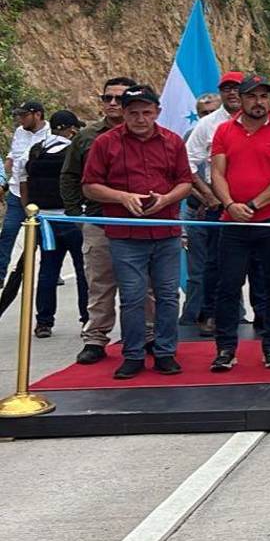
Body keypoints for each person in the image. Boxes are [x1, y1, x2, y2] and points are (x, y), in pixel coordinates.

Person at [81, 85, 193, 379]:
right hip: (125, 234)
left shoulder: (173, 141)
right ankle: (132, 354)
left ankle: (165, 352)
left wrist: (166, 199)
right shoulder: (105, 143)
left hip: (166, 231)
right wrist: (122, 197)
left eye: (146, 112)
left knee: (168, 295)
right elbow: (89, 186)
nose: (140, 119)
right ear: (124, 113)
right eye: (133, 113)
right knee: (131, 296)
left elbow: (185, 182)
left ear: (157, 112)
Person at [61, 75, 156, 365]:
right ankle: (96, 338)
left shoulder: (152, 134)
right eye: (107, 98)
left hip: (142, 222)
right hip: (100, 220)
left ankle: (148, 335)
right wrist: (77, 215)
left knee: (145, 284)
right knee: (100, 282)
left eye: (119, 98)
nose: (113, 103)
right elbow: (70, 176)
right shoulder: (87, 137)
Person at [208, 74, 270, 371]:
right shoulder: (224, 130)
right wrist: (230, 204)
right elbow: (217, 173)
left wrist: (252, 205)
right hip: (233, 222)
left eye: (264, 96)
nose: (259, 102)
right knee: (228, 285)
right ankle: (225, 348)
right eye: (252, 96)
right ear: (241, 99)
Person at [181, 71, 243, 332]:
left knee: (257, 266)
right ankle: (209, 314)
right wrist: (208, 195)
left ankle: (257, 318)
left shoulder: (261, 121)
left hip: (253, 205)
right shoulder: (207, 125)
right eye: (226, 88)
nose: (232, 93)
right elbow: (187, 163)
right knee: (214, 263)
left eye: (237, 88)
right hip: (217, 206)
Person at [17, 110, 87, 335]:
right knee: (84, 272)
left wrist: (30, 212)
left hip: (44, 220)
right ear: (72, 130)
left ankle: (44, 322)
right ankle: (87, 321)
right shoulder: (75, 152)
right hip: (74, 220)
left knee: (47, 271)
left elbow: (23, 182)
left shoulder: (34, 151)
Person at [0, 102, 51, 286]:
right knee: (8, 233)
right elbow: (11, 158)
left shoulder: (50, 134)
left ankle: (50, 270)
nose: (20, 119)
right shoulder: (20, 132)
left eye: (24, 115)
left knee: (42, 236)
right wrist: (4, 182)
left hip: (38, 194)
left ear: (37, 114)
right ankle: (0, 274)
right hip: (16, 192)